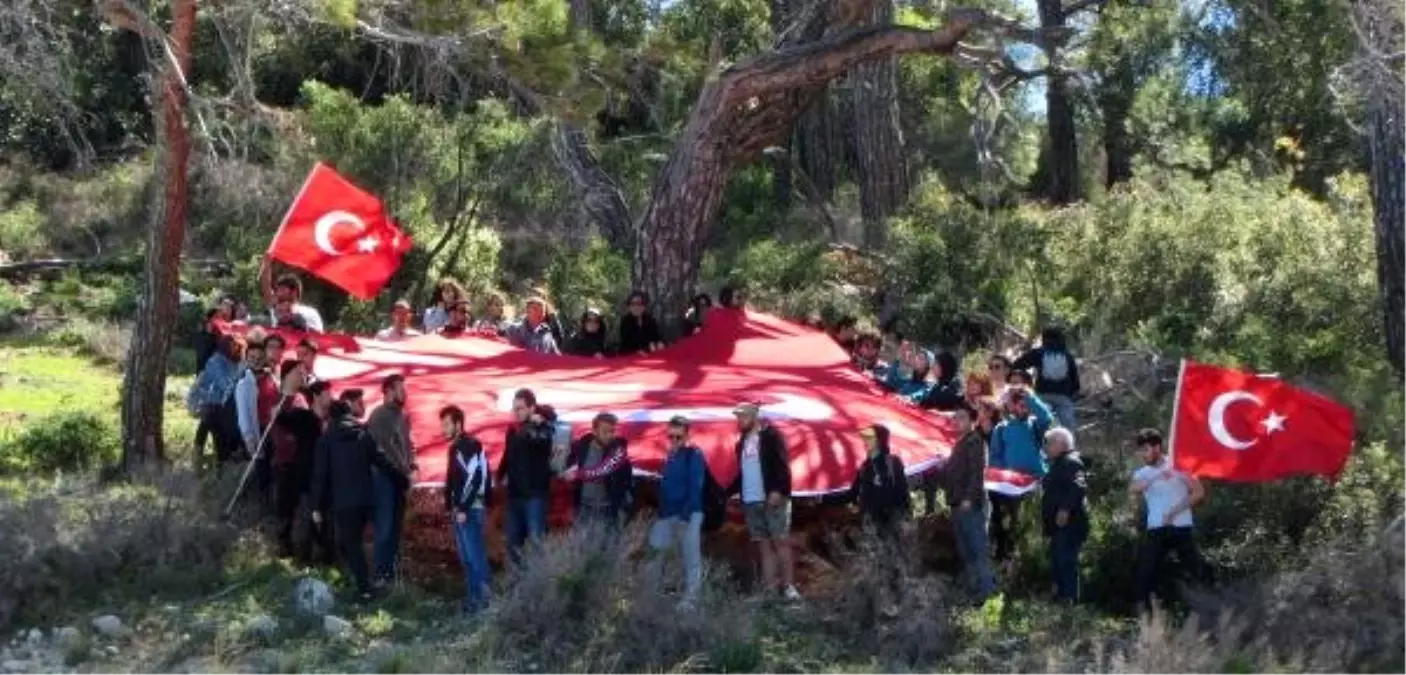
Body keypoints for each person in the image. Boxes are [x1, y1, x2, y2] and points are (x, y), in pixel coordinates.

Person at [311, 391, 395, 601]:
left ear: (331, 418)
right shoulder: (363, 434)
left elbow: (321, 475)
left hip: (344, 502)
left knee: (351, 545)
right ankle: (377, 578)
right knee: (370, 539)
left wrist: (316, 506)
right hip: (367, 498)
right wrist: (401, 480)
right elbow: (382, 461)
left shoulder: (327, 440)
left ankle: (364, 589)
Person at [728, 402, 800, 600]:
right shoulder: (741, 443)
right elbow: (743, 473)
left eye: (743, 416)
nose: (739, 421)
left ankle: (789, 587)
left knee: (781, 541)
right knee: (763, 544)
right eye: (738, 417)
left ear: (754, 416)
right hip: (751, 500)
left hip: (772, 497)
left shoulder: (771, 436)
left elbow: (783, 466)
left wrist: (779, 490)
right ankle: (768, 589)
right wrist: (728, 492)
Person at [1130, 428, 1206, 610]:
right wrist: (1159, 475)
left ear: (1157, 447)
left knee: (1193, 571)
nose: (1143, 454)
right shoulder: (1142, 473)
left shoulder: (1181, 466)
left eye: (1146, 449)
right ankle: (1145, 615)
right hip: (1156, 528)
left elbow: (1198, 492)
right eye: (1141, 450)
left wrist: (1174, 512)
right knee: (1146, 573)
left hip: (1181, 526)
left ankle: (1203, 610)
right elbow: (1134, 488)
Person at [987, 387, 1054, 566]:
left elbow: (1047, 418)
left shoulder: (1034, 424)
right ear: (1008, 405)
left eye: (1023, 403)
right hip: (1013, 486)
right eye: (1015, 403)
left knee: (1037, 521)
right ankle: (1012, 559)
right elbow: (995, 457)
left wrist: (1031, 398)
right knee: (1014, 522)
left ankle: (1038, 559)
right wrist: (1000, 483)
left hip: (1036, 481)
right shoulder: (1001, 428)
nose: (1020, 407)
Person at [276, 379, 335, 565]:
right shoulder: (304, 418)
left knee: (325, 522)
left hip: (325, 481)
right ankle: (302, 559)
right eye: (327, 393)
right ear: (316, 396)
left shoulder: (331, 421)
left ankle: (326, 558)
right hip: (306, 479)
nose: (331, 397)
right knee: (306, 520)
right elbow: (281, 418)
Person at [650, 416, 706, 609]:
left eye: (678, 437)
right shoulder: (669, 456)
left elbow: (695, 486)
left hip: (688, 513)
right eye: (671, 436)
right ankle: (652, 594)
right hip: (666, 513)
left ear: (687, 436)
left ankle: (691, 600)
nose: (674, 440)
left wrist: (685, 515)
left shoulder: (694, 455)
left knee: (691, 556)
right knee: (656, 551)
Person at [442, 404, 492, 615]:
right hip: (461, 509)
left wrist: (461, 506)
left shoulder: (468, 445)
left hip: (470, 509)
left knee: (475, 556)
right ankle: (473, 601)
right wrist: (449, 504)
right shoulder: (456, 447)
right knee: (467, 559)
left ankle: (485, 603)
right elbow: (453, 480)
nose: (444, 429)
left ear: (458, 424)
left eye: (447, 425)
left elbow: (475, 477)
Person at [366, 374, 415, 586]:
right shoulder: (379, 416)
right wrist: (400, 471)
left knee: (395, 527)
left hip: (399, 480)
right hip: (383, 479)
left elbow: (407, 447)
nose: (404, 393)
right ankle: (380, 574)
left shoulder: (401, 417)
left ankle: (392, 572)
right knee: (384, 527)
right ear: (387, 391)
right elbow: (383, 451)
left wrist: (412, 466)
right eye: (399, 388)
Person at [945, 404, 996, 602]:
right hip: (957, 503)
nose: (957, 421)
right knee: (965, 550)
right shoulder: (959, 443)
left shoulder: (974, 441)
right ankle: (973, 592)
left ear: (972, 421)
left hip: (970, 504)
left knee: (977, 549)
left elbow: (977, 473)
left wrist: (969, 497)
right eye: (955, 418)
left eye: (962, 417)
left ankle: (986, 591)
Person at [498, 389, 554, 565]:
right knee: (512, 546)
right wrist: (499, 476)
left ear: (532, 408)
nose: (517, 412)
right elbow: (507, 457)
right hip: (515, 496)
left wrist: (538, 423)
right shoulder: (512, 431)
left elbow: (544, 440)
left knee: (536, 545)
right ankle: (517, 588)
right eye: (515, 409)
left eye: (521, 408)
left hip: (534, 496)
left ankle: (538, 588)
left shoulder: (543, 428)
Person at [559, 412, 633, 527]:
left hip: (606, 508)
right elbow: (569, 461)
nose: (609, 435)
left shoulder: (619, 450)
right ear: (594, 431)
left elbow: (601, 471)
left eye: (612, 431)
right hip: (583, 506)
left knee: (606, 544)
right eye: (605, 431)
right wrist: (567, 469)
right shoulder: (582, 446)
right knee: (582, 543)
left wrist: (576, 474)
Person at [1040, 427, 1088, 603]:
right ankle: (1061, 597)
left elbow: (1078, 487)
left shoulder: (1072, 462)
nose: (1046, 448)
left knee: (1066, 562)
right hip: (1057, 526)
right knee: (1057, 561)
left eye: (1049, 443)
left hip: (1069, 524)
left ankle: (1069, 600)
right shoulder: (1058, 464)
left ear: (1061, 444)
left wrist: (1065, 509)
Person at [187, 334, 246, 468]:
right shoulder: (216, 361)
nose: (236, 348)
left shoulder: (236, 361)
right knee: (213, 428)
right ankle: (201, 461)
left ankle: (218, 463)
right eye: (233, 345)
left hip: (226, 406)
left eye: (238, 346)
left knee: (219, 435)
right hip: (214, 403)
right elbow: (224, 384)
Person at [850, 424, 911, 541]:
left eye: (869, 438)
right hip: (869, 523)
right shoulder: (865, 466)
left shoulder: (893, 463)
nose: (864, 442)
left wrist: (903, 516)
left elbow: (902, 490)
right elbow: (853, 492)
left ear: (879, 440)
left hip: (891, 522)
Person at [1013, 327, 1081, 430]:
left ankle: (1040, 441)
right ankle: (1068, 442)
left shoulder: (1039, 353)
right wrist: (1072, 395)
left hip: (1042, 394)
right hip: (1063, 396)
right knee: (1067, 427)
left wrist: (1025, 382)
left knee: (1040, 423)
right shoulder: (1067, 356)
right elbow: (1075, 379)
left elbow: (1019, 364)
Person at [260, 261, 324, 332]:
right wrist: (267, 262)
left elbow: (317, 337)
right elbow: (266, 285)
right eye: (277, 290)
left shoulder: (310, 313)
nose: (278, 293)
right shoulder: (272, 313)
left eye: (282, 289)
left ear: (294, 292)